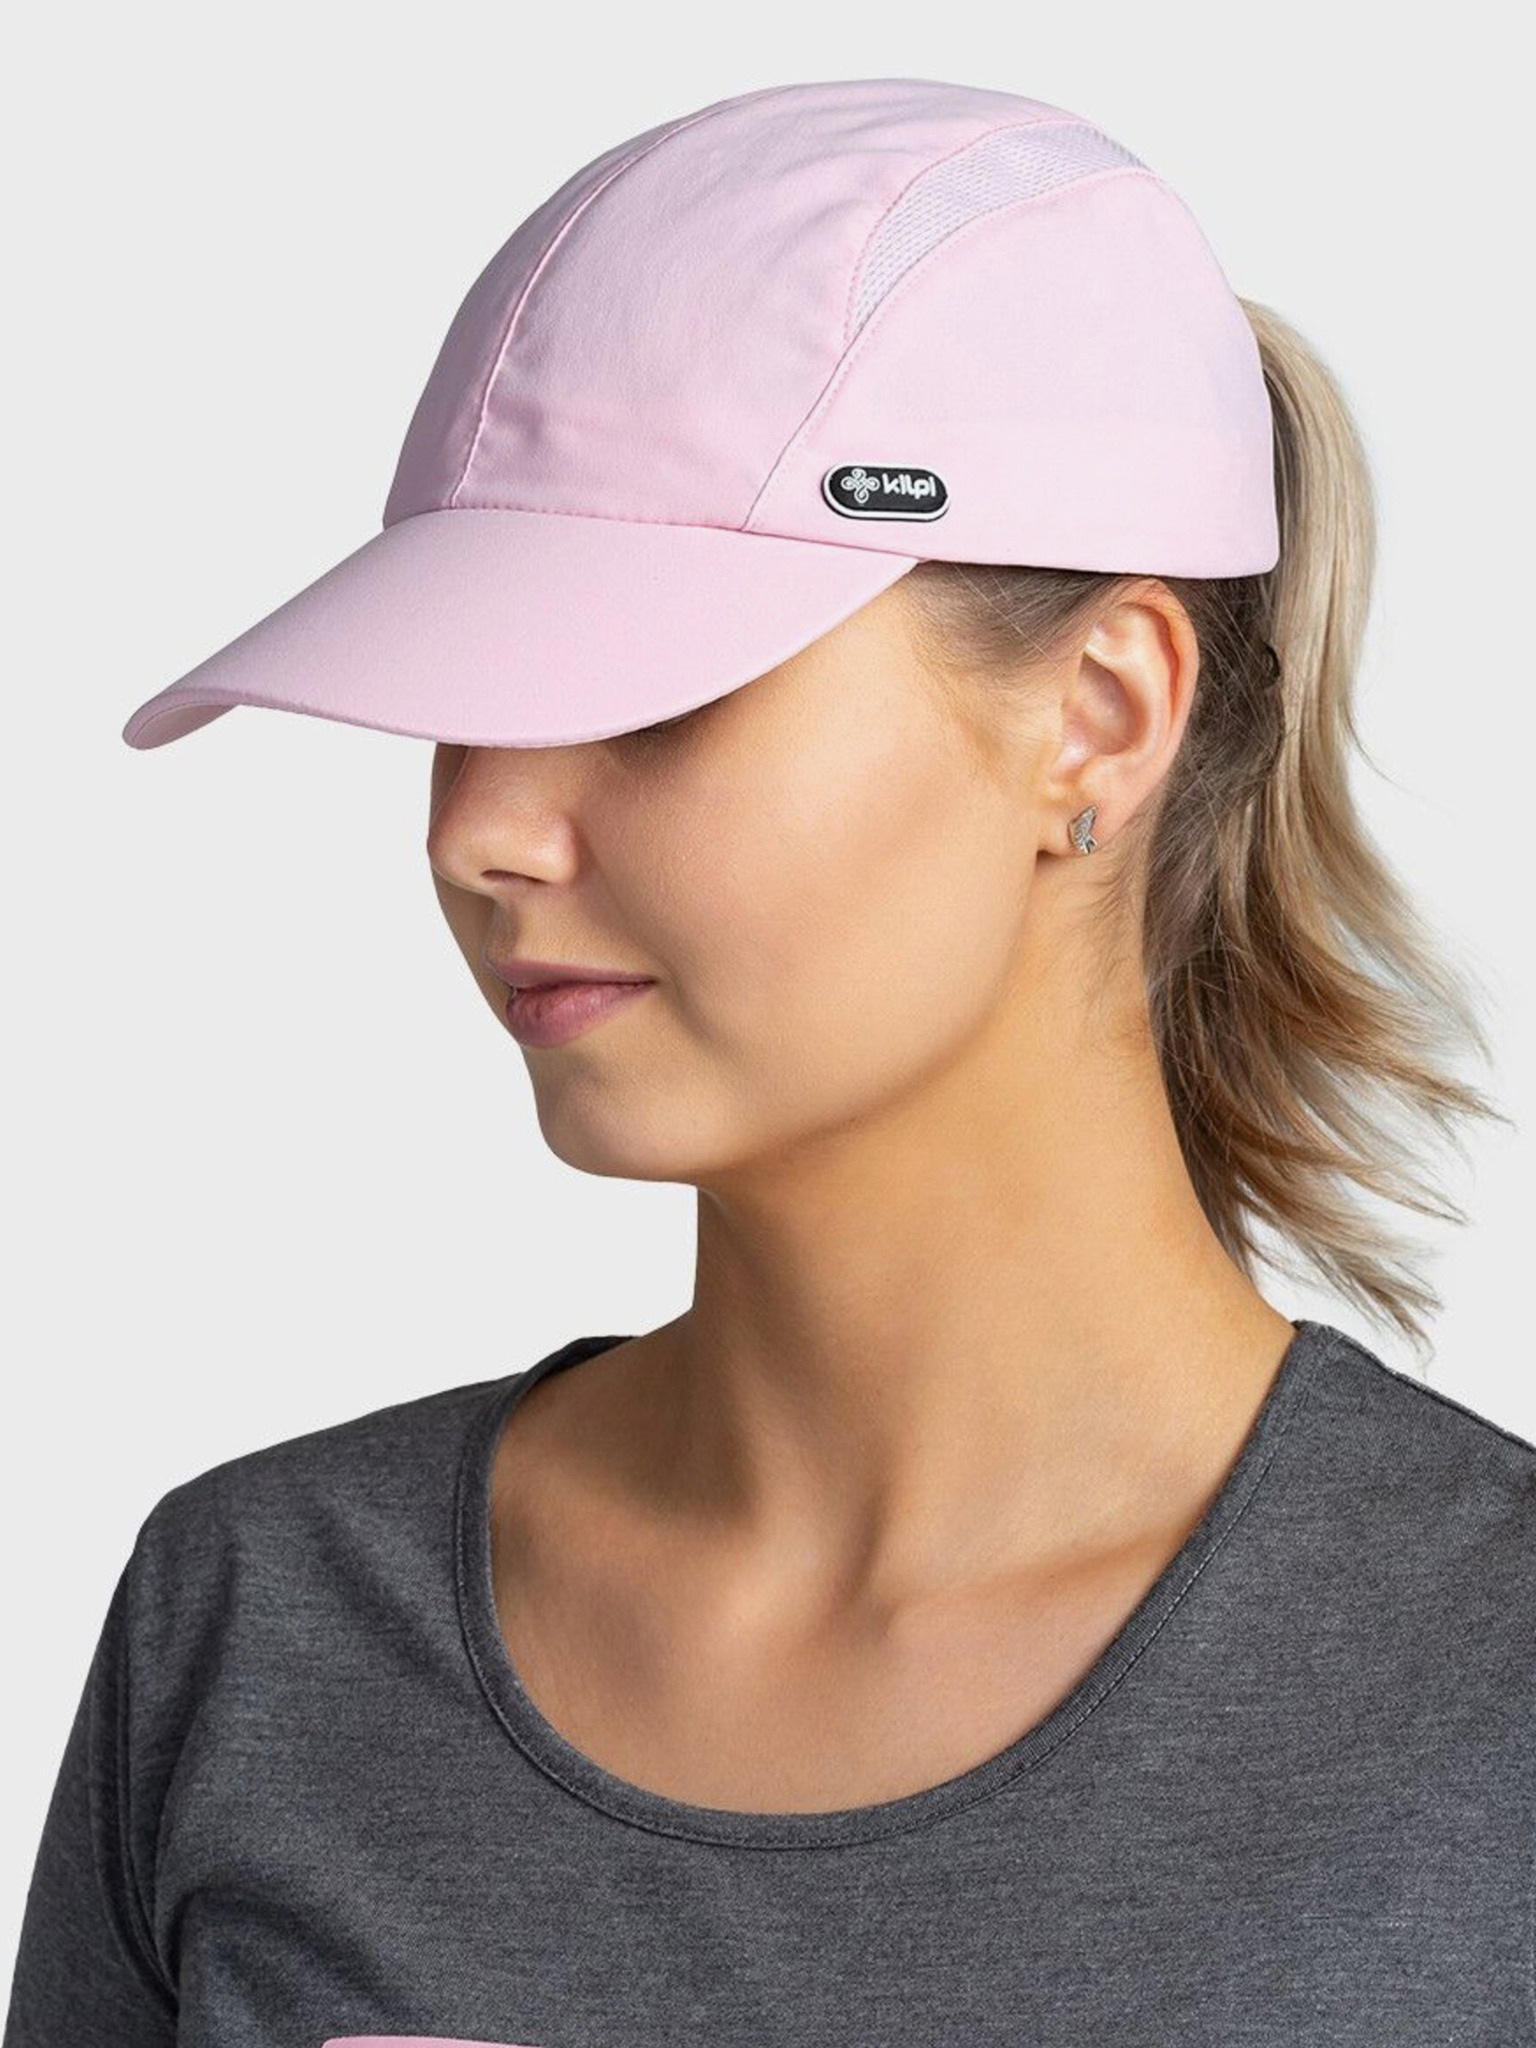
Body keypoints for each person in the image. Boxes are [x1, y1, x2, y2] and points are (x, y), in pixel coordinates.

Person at [5, 75, 1533, 2048]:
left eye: (649, 690)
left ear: (1098, 712)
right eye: (463, 695)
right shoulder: (255, 1629)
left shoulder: (1491, 1695)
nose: (481, 830)